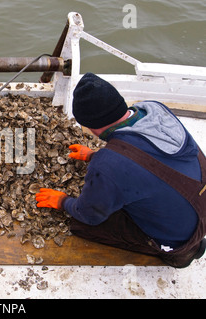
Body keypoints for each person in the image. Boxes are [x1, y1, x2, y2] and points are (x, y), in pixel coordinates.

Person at [36, 72, 206, 268]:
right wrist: (93, 155)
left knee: (81, 226)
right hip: (200, 203)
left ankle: (181, 254)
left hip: (179, 237)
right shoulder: (154, 109)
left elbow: (89, 215)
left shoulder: (108, 166)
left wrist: (62, 201)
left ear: (90, 126)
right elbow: (147, 154)